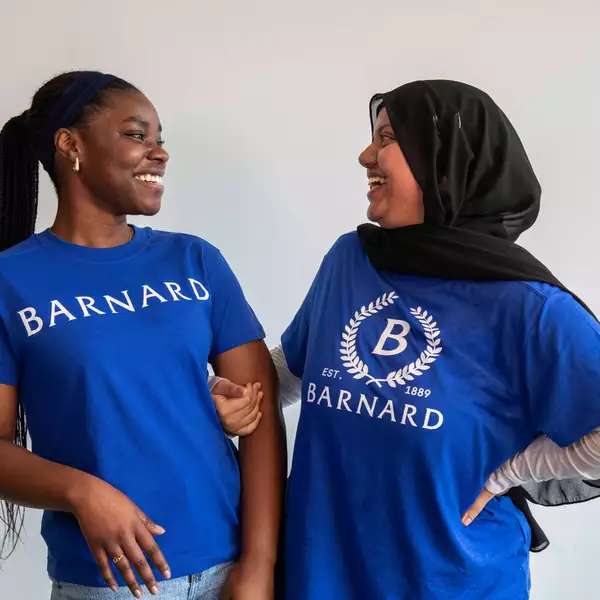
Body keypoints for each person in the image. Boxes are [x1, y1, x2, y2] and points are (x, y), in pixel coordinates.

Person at [211, 80, 600, 599]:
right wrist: (236, 393)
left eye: (388, 139)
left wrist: (510, 472)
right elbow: (298, 368)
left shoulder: (529, 308)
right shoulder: (350, 260)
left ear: (444, 162)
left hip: (451, 583)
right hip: (322, 576)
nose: (366, 154)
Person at [0, 70, 284, 600]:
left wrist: (260, 562)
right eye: (136, 135)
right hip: (111, 583)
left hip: (228, 569)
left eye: (160, 140)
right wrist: (81, 492)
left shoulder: (195, 261)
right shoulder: (9, 281)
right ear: (71, 145)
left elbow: (261, 418)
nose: (159, 153)